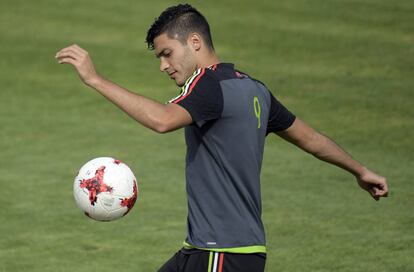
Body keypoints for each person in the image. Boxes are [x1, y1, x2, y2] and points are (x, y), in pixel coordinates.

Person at [55, 4, 388, 272]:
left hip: (222, 253)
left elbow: (161, 120)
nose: (163, 65)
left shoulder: (207, 85)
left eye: (167, 53)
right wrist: (360, 170)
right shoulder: (255, 89)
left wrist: (95, 79)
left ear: (195, 42)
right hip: (213, 250)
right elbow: (310, 138)